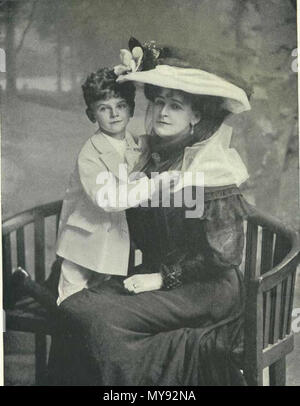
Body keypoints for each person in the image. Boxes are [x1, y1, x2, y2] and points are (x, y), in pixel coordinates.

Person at [46, 40, 253, 386]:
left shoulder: (212, 170)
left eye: (176, 105)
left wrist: (162, 278)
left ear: (196, 116)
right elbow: (108, 191)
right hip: (158, 275)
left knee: (94, 319)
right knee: (75, 309)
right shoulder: (148, 153)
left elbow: (225, 257)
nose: (163, 112)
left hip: (208, 289)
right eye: (158, 102)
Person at [10, 67, 178, 309]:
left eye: (120, 105)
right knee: (69, 305)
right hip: (84, 244)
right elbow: (108, 198)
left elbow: (159, 142)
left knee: (98, 307)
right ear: (92, 115)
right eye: (104, 108)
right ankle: (28, 287)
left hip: (115, 247)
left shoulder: (137, 144)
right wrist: (152, 186)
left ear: (131, 108)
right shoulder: (90, 154)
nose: (114, 114)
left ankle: (34, 289)